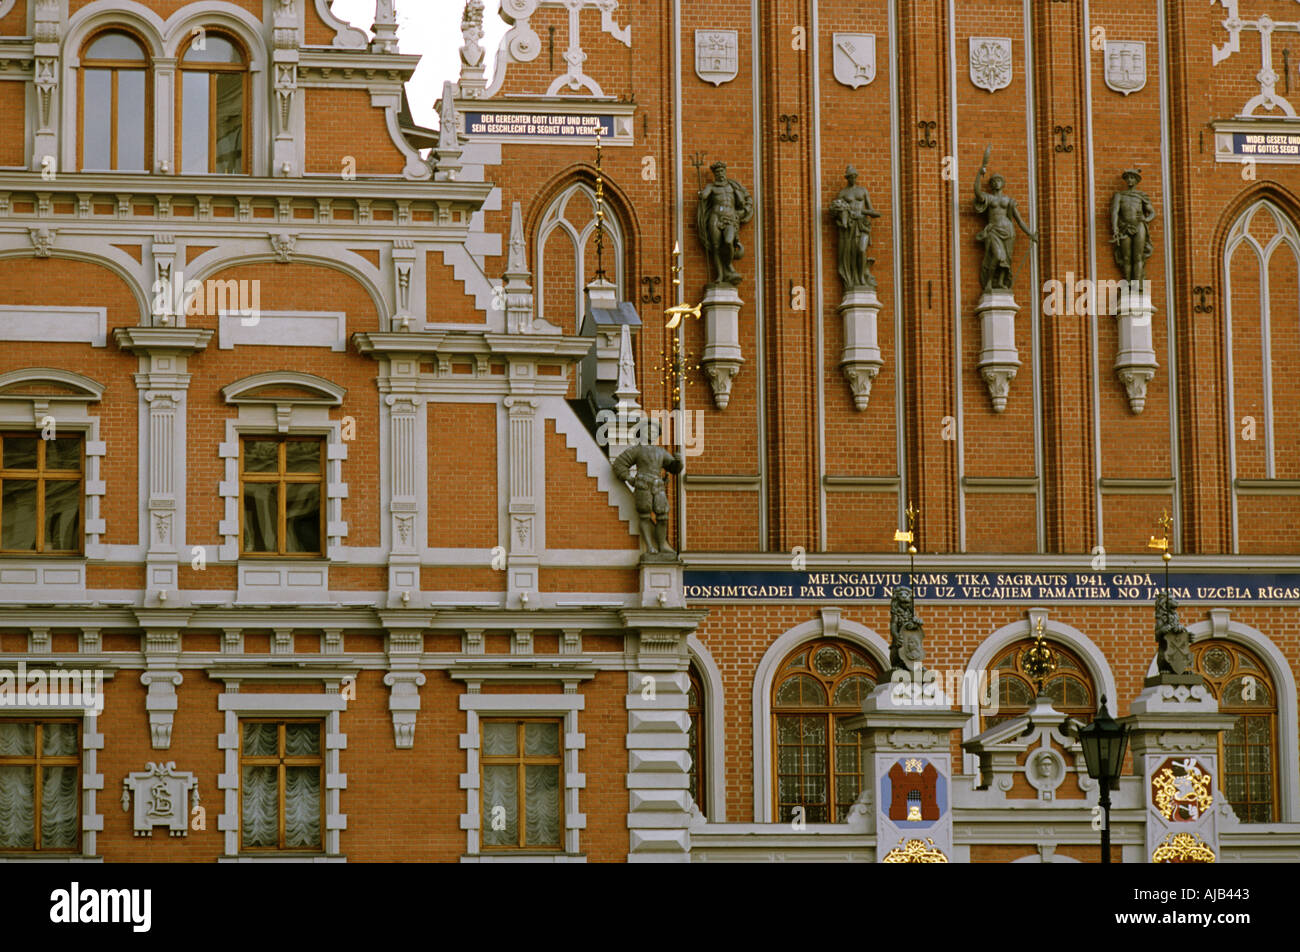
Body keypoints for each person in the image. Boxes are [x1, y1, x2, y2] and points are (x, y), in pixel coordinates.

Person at [973, 147, 1037, 293]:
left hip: (1008, 231)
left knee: (1006, 260)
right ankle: (989, 282)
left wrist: (1030, 234)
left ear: (1003, 183)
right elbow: (977, 192)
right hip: (994, 231)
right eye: (994, 181)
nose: (996, 183)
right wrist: (979, 173)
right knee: (997, 255)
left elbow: (1019, 220)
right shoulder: (989, 198)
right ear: (991, 184)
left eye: (999, 180)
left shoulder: (1009, 201)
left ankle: (1001, 282)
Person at [612, 443, 684, 557]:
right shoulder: (637, 450)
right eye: (648, 430)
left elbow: (673, 468)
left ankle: (661, 546)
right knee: (645, 515)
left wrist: (679, 462)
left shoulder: (660, 451)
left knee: (663, 516)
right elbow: (619, 464)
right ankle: (649, 546)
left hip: (658, 486)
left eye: (653, 431)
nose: (651, 433)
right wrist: (628, 477)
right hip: (643, 485)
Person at [696, 161, 754, 286]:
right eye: (717, 172)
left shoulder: (732, 186)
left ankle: (728, 266)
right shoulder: (711, 187)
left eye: (722, 171)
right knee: (716, 246)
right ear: (715, 174)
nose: (720, 174)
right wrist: (701, 195)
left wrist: (742, 208)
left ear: (725, 172)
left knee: (728, 242)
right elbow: (704, 195)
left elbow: (742, 202)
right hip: (715, 217)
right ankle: (720, 275)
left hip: (730, 218)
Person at [829, 165, 882, 292]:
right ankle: (854, 279)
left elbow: (872, 210)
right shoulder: (843, 193)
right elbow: (837, 212)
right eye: (850, 177)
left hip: (862, 225)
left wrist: (862, 211)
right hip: (850, 227)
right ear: (847, 178)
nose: (853, 178)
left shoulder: (863, 191)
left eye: (854, 176)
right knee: (850, 254)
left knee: (861, 250)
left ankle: (862, 277)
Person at [1111, 168, 1156, 283]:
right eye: (1128, 178)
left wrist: (1145, 219)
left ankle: (1137, 285)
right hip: (1124, 227)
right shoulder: (1119, 196)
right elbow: (1115, 212)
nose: (1129, 180)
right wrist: (1115, 228)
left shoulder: (1141, 196)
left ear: (1136, 180)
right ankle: (1127, 284)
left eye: (1132, 178)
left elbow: (1152, 212)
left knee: (1138, 256)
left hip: (1139, 226)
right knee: (1126, 257)